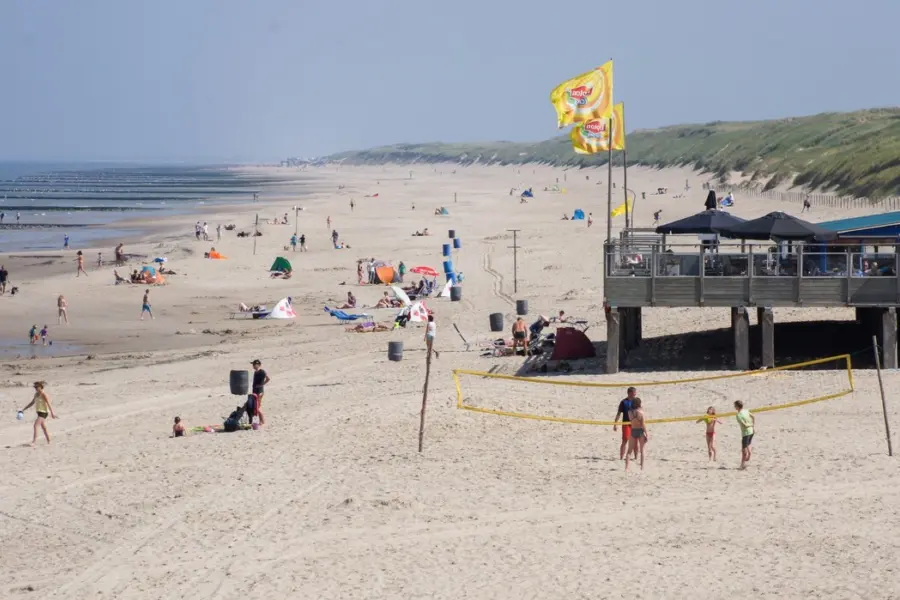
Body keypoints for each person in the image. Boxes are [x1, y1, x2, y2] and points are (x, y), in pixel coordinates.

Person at [19, 381, 57, 446]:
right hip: (39, 412)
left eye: (36, 387)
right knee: (44, 427)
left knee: (36, 425)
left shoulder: (43, 394)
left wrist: (52, 413)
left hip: (44, 412)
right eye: (34, 387)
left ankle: (33, 442)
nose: (35, 388)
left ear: (40, 387)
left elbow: (48, 404)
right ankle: (49, 441)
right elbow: (32, 403)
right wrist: (24, 409)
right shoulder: (36, 394)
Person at [614, 387, 639, 460]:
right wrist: (615, 424)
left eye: (635, 393)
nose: (635, 394)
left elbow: (640, 412)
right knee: (625, 440)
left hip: (635, 423)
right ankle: (621, 457)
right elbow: (618, 414)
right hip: (626, 423)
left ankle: (636, 457)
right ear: (629, 393)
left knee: (635, 441)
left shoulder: (636, 401)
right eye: (634, 393)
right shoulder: (623, 402)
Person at [625, 398, 648, 471]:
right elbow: (643, 424)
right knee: (642, 450)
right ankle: (642, 467)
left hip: (633, 430)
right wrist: (646, 433)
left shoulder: (629, 412)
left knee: (629, 451)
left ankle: (627, 468)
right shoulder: (641, 412)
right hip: (640, 431)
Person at [734, 400, 755, 469]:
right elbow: (753, 417)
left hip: (746, 433)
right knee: (748, 444)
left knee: (743, 450)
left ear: (737, 406)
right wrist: (753, 426)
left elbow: (745, 425)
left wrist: (750, 425)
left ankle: (742, 465)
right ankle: (750, 453)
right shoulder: (746, 411)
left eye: (735, 406)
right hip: (751, 431)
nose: (734, 407)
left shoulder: (738, 415)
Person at [251, 359, 269, 425]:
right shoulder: (255, 372)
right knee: (255, 407)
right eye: (253, 364)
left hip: (259, 392)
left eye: (254, 364)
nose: (253, 366)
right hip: (255, 392)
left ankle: (262, 421)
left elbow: (268, 379)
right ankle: (261, 421)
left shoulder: (262, 372)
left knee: (257, 407)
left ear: (258, 365)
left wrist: (261, 385)